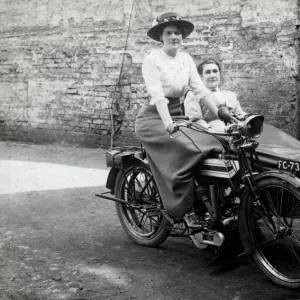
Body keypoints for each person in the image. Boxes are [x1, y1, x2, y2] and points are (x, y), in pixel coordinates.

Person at [135, 12, 226, 226]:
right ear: (161, 36)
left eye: (177, 32)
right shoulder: (152, 59)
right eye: (169, 33)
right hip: (154, 119)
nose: (174, 36)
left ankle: (207, 199)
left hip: (179, 115)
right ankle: (183, 207)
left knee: (214, 142)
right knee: (187, 148)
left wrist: (220, 112)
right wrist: (168, 124)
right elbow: (157, 96)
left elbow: (201, 90)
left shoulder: (186, 59)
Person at [184, 58, 248, 131]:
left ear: (219, 74)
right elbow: (194, 121)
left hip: (235, 135)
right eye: (208, 72)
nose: (212, 75)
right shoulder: (193, 95)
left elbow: (240, 115)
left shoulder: (230, 95)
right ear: (201, 77)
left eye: (215, 71)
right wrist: (211, 130)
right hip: (210, 136)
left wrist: (246, 118)